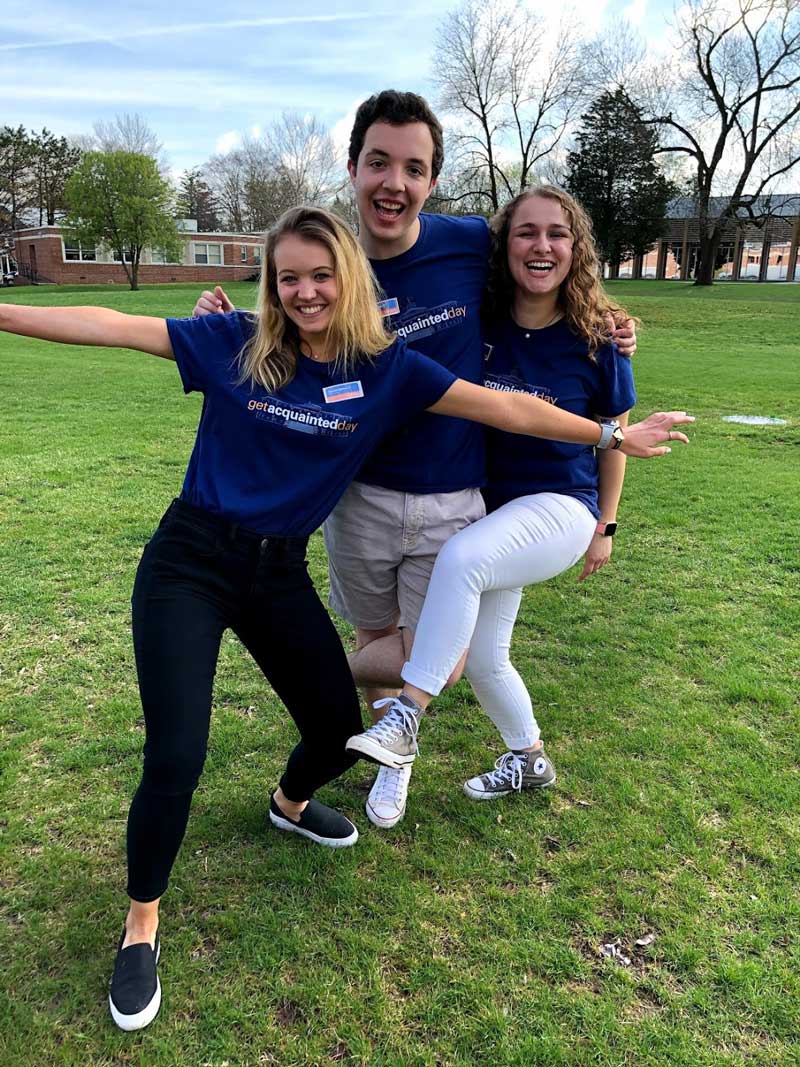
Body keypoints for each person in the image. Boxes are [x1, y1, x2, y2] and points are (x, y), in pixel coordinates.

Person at [1, 205, 688, 1031]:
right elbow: (111, 323)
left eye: (321, 275)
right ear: (272, 283)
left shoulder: (389, 368)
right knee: (178, 749)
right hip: (190, 562)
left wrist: (608, 428)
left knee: (334, 728)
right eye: (288, 277)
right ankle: (141, 921)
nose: (304, 292)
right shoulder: (237, 344)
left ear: (349, 278)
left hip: (277, 572)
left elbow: (503, 407)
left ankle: (288, 803)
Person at [194, 89, 640, 832]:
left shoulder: (470, 243)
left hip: (458, 491)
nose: (393, 183)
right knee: (382, 641)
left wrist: (614, 324)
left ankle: (321, 677)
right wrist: (225, 322)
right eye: (378, 163)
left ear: (432, 179)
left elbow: (549, 264)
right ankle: (389, 762)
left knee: (448, 653)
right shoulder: (332, 257)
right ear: (353, 167)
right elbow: (289, 314)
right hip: (360, 493)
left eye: (413, 167)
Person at [345, 186, 692, 799]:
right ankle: (529, 758)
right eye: (526, 233)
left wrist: (605, 528)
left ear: (576, 248)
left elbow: (615, 440)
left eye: (557, 234)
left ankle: (406, 716)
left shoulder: (600, 340)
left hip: (561, 509)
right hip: (490, 510)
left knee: (462, 560)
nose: (542, 246)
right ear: (505, 247)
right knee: (482, 657)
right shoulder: (484, 320)